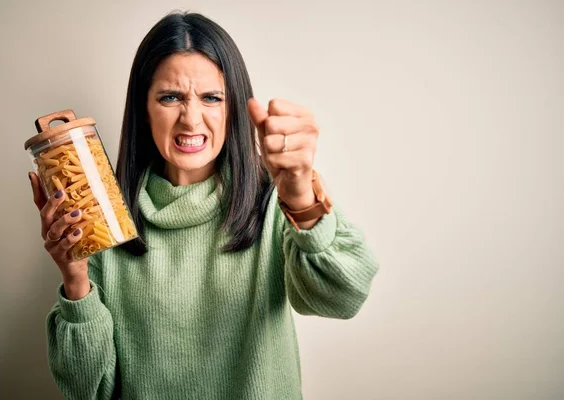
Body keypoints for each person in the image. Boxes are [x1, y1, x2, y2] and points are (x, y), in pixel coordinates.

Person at [28, 10, 379, 400]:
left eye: (212, 98)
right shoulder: (104, 222)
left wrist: (300, 197)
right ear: (144, 109)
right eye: (170, 97)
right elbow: (87, 391)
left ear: (235, 110)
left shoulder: (275, 199)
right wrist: (75, 279)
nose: (190, 119)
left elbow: (344, 299)